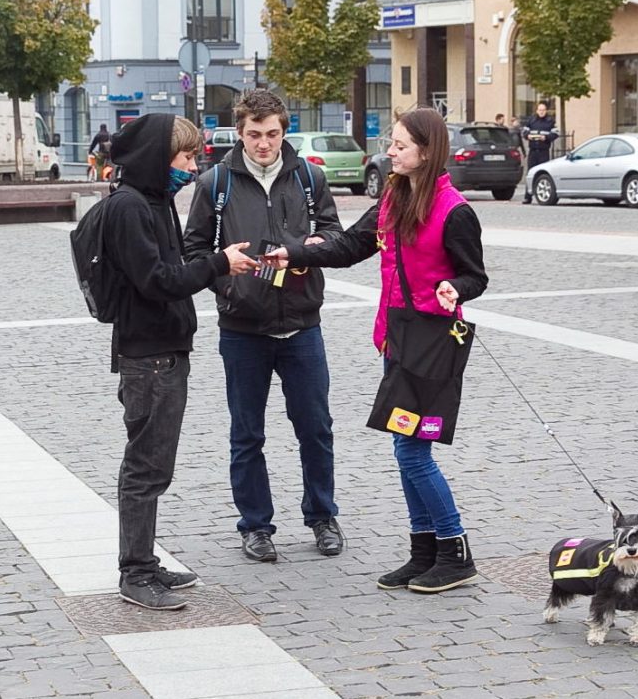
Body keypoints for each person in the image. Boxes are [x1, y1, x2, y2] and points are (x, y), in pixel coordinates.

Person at [263, 107, 488, 593]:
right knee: (404, 443)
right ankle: (423, 550)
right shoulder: (393, 197)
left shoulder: (455, 211)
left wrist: (455, 287)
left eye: (400, 145)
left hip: (432, 342)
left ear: (425, 152)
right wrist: (296, 252)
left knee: (411, 450)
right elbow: (348, 247)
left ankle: (455, 549)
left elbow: (476, 275)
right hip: (396, 338)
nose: (390, 152)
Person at [184, 90, 345, 563]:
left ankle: (322, 517)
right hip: (243, 329)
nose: (263, 144)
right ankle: (255, 526)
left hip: (302, 324)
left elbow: (335, 238)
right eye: (254, 135)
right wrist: (223, 270)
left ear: (283, 131)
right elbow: (193, 251)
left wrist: (313, 246)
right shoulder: (216, 184)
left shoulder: (310, 177)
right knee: (247, 433)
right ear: (240, 132)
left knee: (315, 428)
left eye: (272, 134)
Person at [104, 113, 258, 610]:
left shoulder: (153, 200)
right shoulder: (131, 207)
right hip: (148, 356)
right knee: (145, 467)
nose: (192, 166)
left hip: (164, 351)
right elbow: (158, 280)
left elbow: (168, 272)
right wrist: (218, 263)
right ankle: (135, 573)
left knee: (155, 465)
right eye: (186, 156)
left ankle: (145, 564)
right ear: (158, 155)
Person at [522, 101, 559, 203]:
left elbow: (555, 134)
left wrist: (546, 137)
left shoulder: (550, 121)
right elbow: (524, 131)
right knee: (530, 173)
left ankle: (542, 195)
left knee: (543, 174)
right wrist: (527, 136)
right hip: (533, 151)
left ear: (546, 111)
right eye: (540, 110)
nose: (541, 112)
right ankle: (527, 196)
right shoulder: (532, 120)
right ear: (537, 110)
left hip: (544, 151)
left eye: (543, 110)